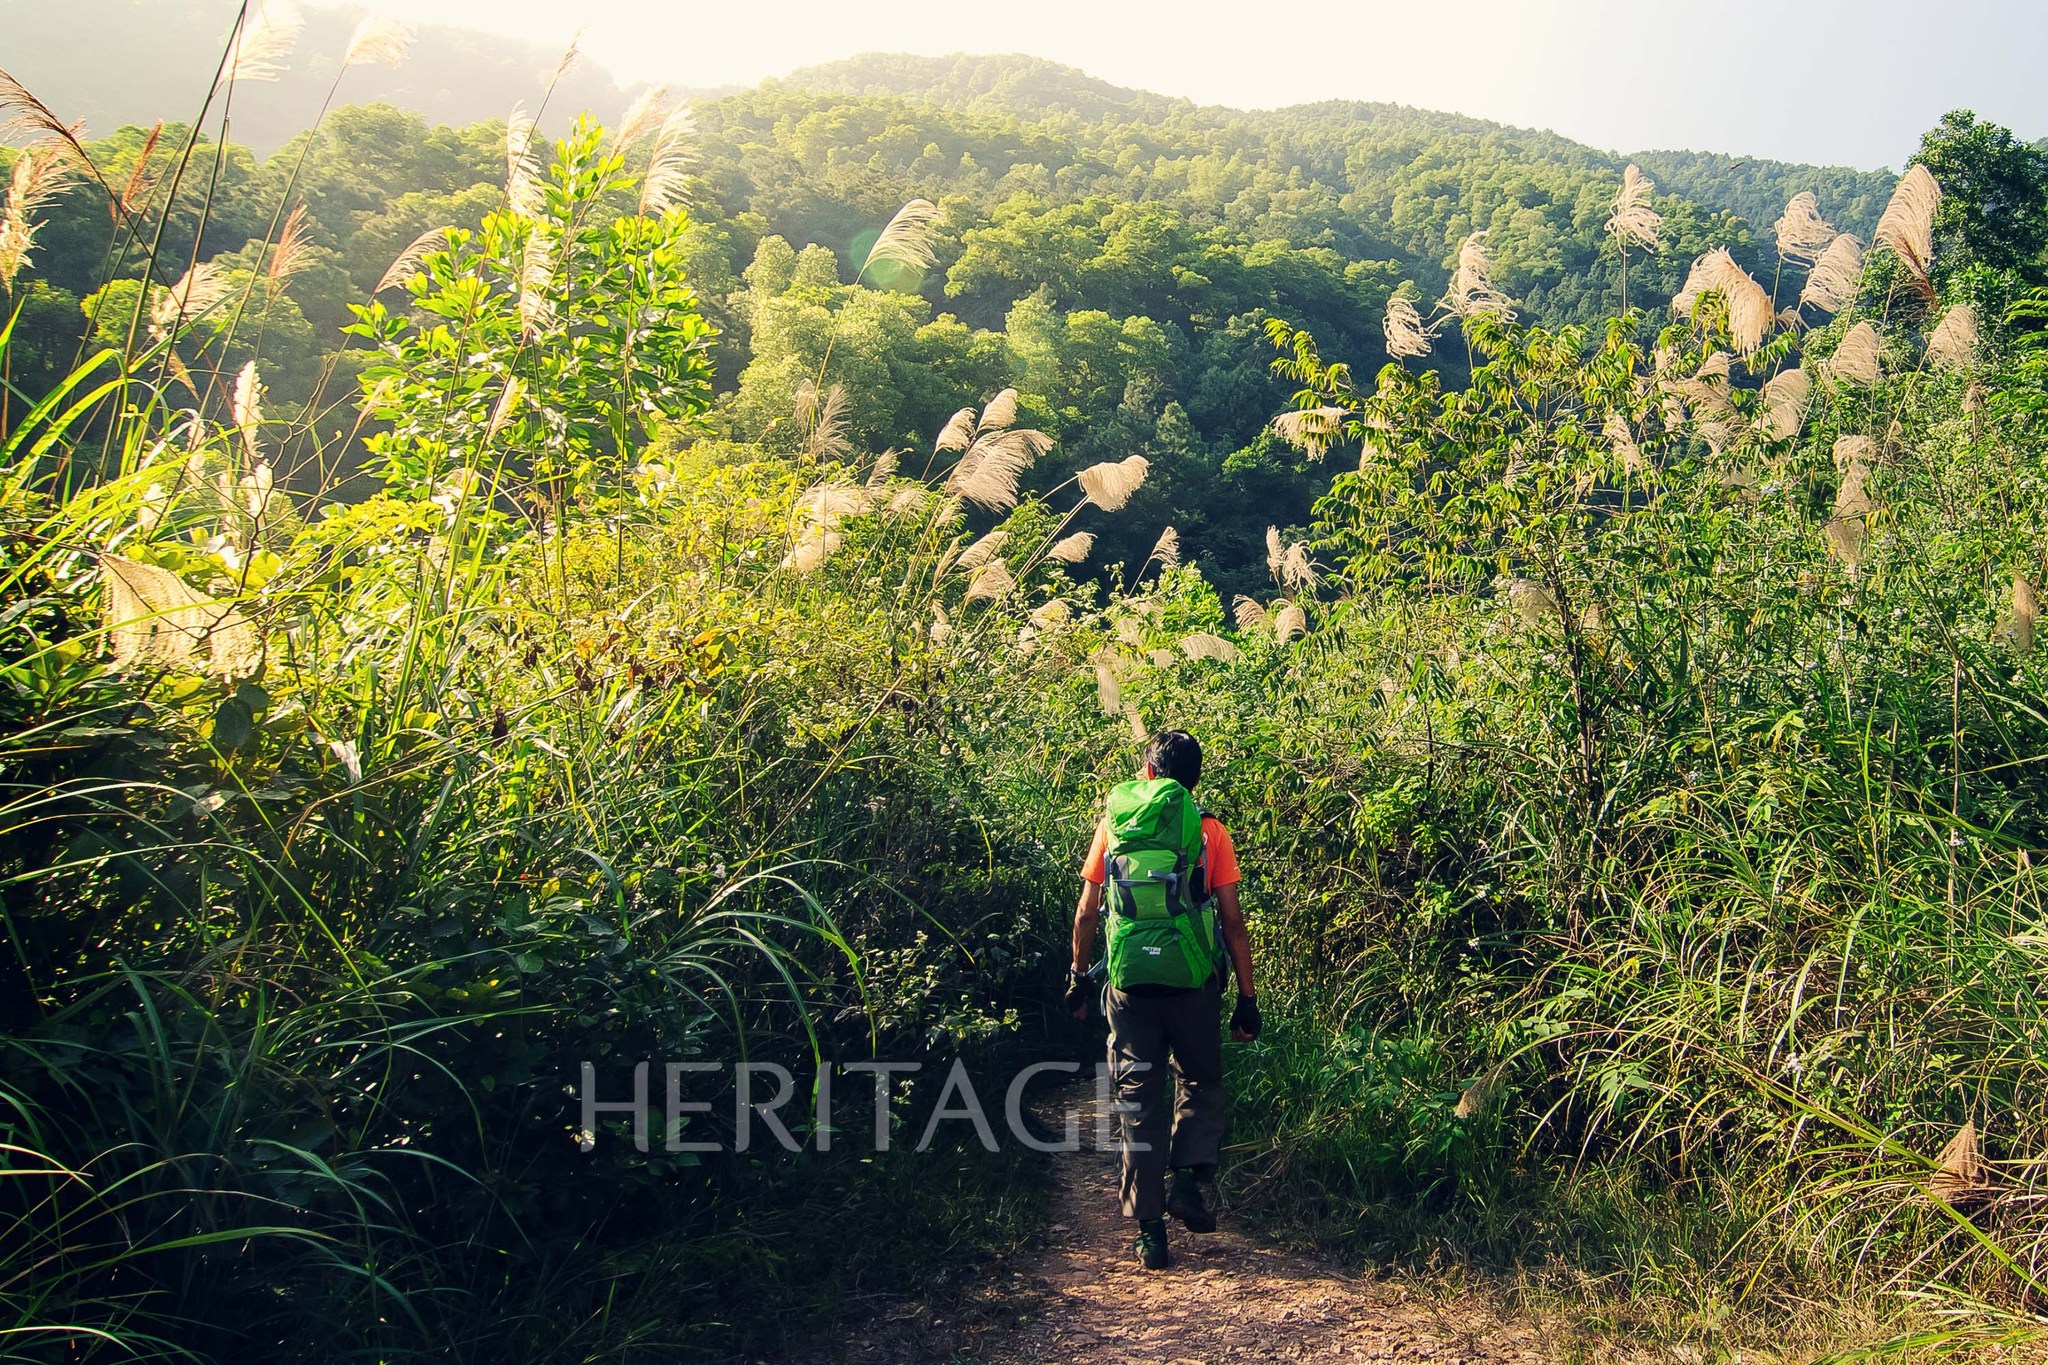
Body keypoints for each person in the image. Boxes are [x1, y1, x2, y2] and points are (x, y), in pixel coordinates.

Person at [1065, 729, 1261, 1270]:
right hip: (1193, 984)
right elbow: (1232, 923)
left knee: (1138, 1101)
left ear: (1147, 774)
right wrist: (1247, 997)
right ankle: (1188, 1181)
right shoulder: (1209, 831)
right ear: (1194, 781)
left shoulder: (1114, 825)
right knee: (1200, 1079)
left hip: (1128, 987)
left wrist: (1079, 976)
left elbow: (1086, 912)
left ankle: (1150, 1233)